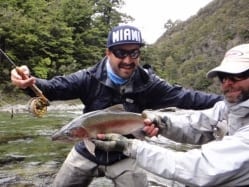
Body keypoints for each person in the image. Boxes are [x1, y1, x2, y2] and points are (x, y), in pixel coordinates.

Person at [11, 25, 223, 187]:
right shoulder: (87, 78)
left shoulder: (150, 84)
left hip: (126, 154)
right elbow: (52, 89)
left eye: (134, 53)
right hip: (86, 151)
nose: (128, 60)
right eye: (121, 53)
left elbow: (188, 98)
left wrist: (227, 102)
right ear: (108, 53)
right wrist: (29, 82)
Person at [94, 43, 249, 186]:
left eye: (238, 75)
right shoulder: (227, 108)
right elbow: (195, 125)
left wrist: (129, 146)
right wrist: (161, 122)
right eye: (223, 77)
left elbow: (199, 168)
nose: (228, 83)